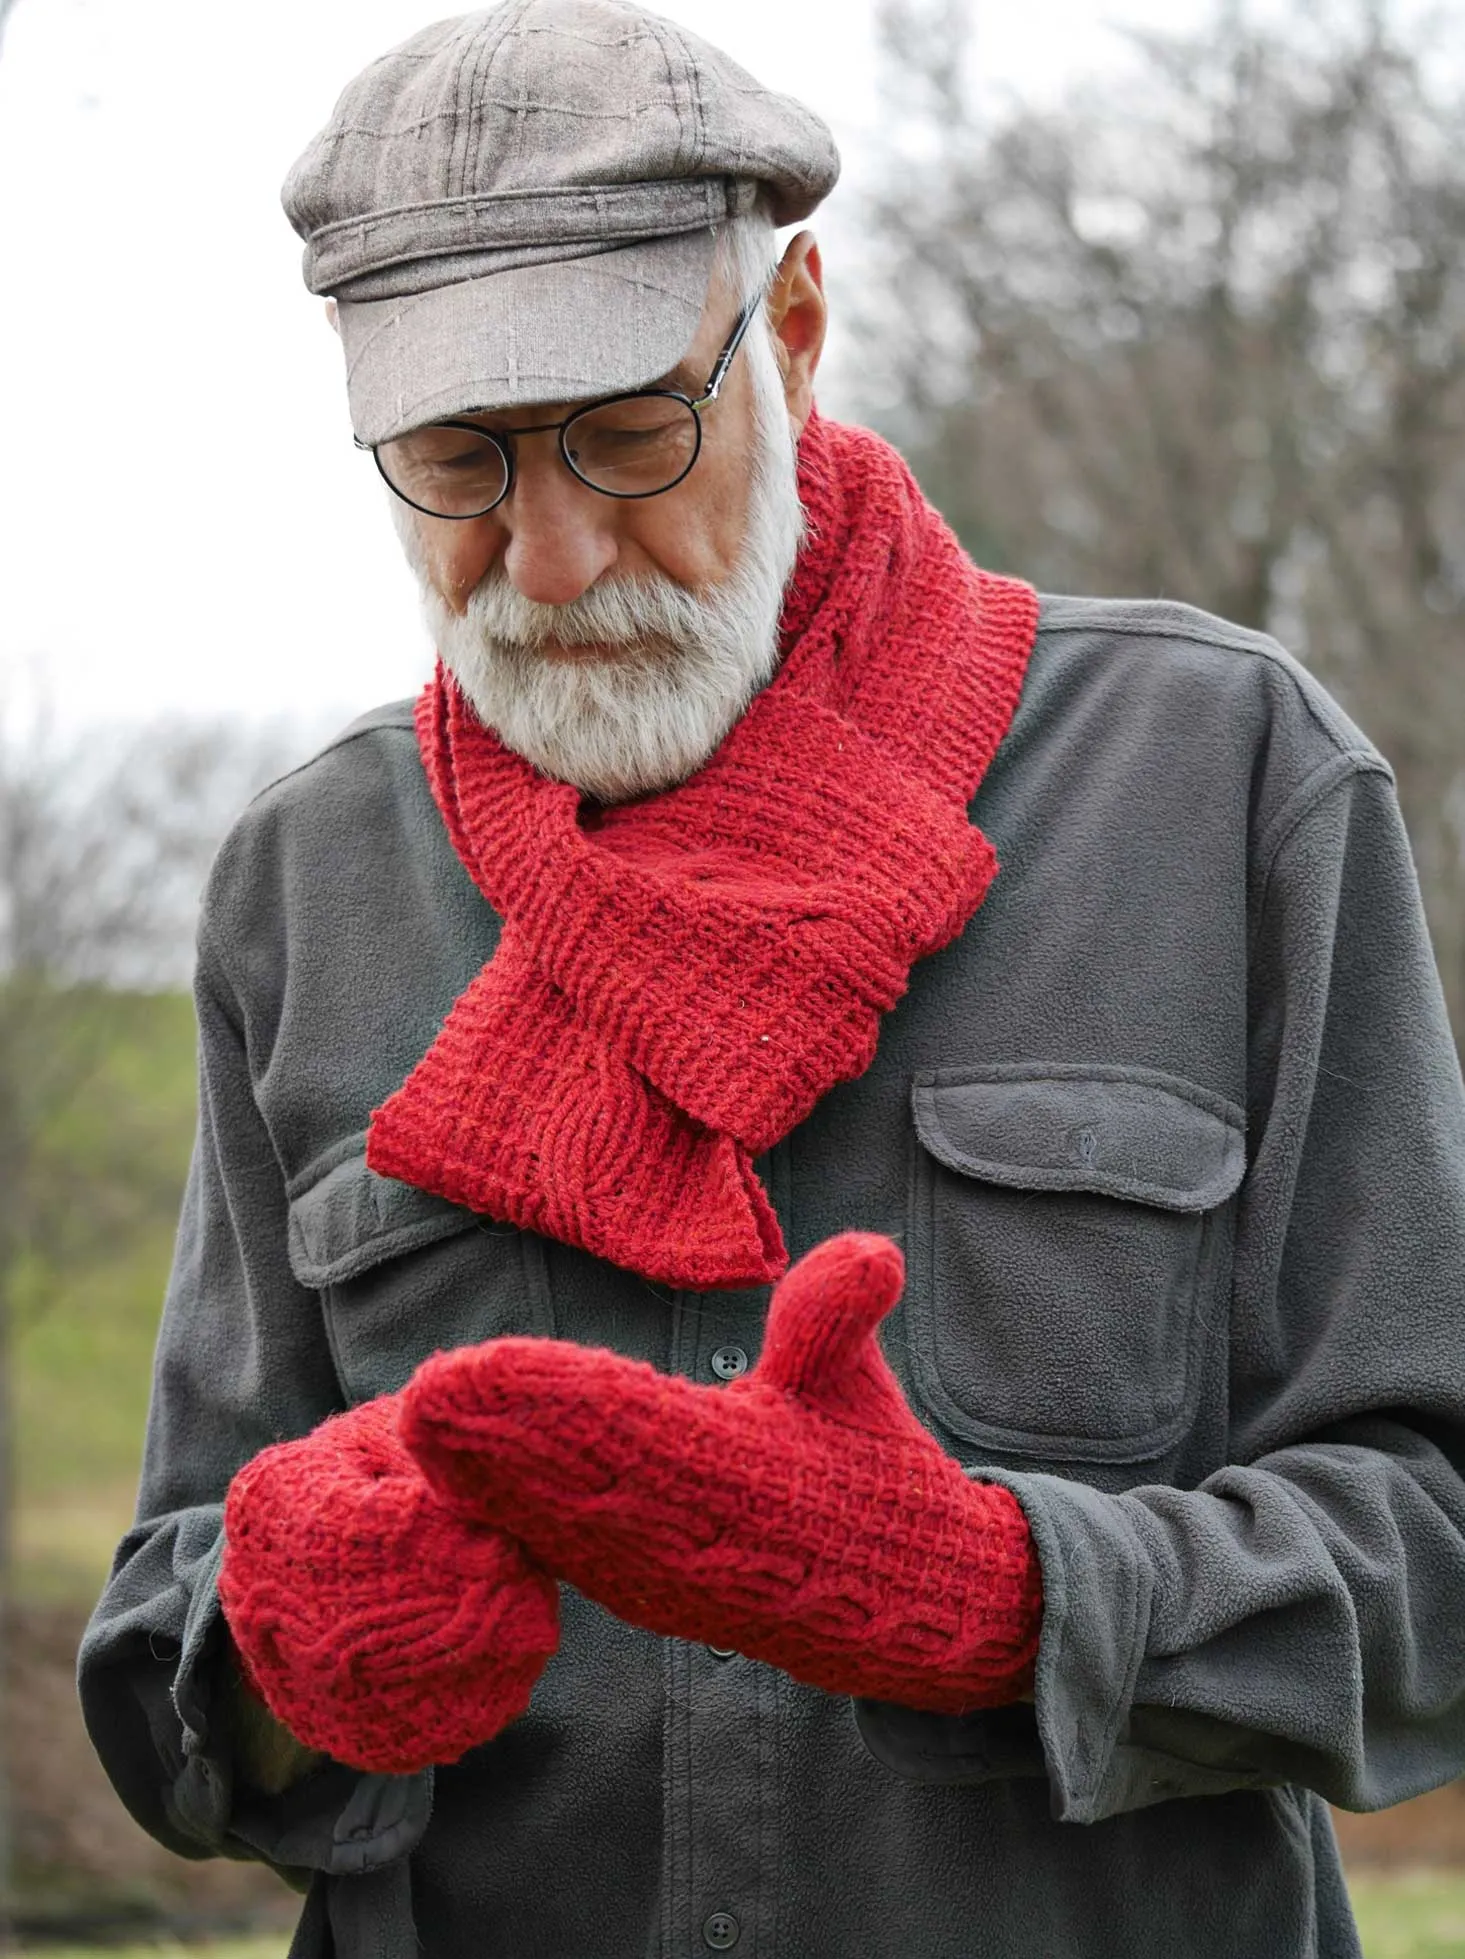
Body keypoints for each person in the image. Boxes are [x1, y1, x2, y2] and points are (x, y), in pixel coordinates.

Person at [78, 2, 1465, 1954]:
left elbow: (1432, 1549)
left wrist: (1010, 1593)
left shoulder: (1228, 780)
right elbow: (166, 1660)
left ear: (793, 326)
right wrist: (287, 1649)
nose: (550, 558)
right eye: (458, 463)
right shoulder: (304, 890)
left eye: (632, 433)